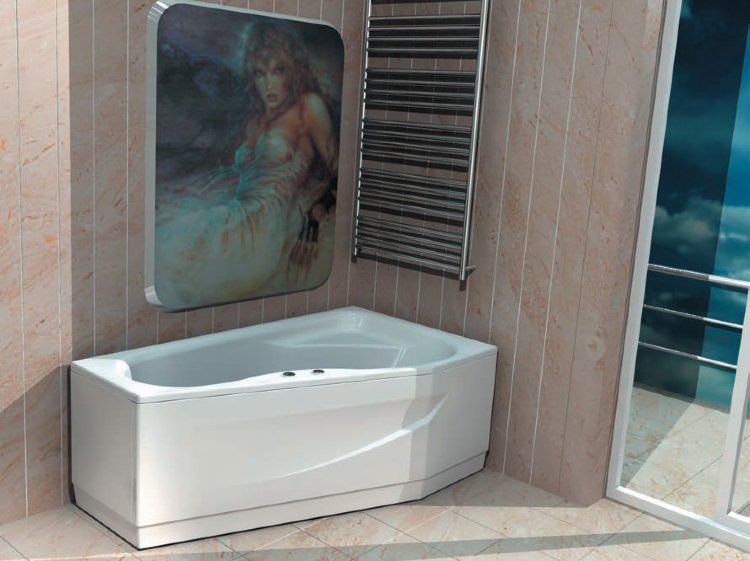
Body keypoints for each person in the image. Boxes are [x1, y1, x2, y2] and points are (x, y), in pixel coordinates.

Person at [155, 23, 339, 308]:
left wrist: (315, 217)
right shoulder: (258, 120)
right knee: (166, 237)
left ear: (294, 71)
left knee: (174, 251)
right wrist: (186, 193)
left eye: (278, 71)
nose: (268, 84)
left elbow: (340, 173)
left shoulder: (307, 107)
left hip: (262, 234)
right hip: (238, 214)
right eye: (260, 73)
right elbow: (239, 177)